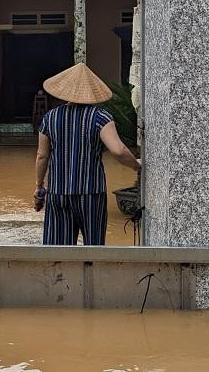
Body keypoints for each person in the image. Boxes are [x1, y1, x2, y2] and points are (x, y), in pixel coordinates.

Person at [33, 63, 140, 246]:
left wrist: (39, 187)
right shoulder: (100, 117)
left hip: (58, 193)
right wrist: (137, 166)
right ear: (91, 92)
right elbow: (118, 150)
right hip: (91, 194)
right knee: (93, 247)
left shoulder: (50, 118)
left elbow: (42, 156)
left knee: (59, 250)